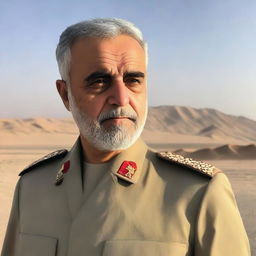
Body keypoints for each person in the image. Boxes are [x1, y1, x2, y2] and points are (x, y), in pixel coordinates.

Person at [1, 18, 250, 256]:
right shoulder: (32, 187)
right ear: (65, 94)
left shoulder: (198, 192)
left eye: (133, 80)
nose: (121, 98)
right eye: (99, 81)